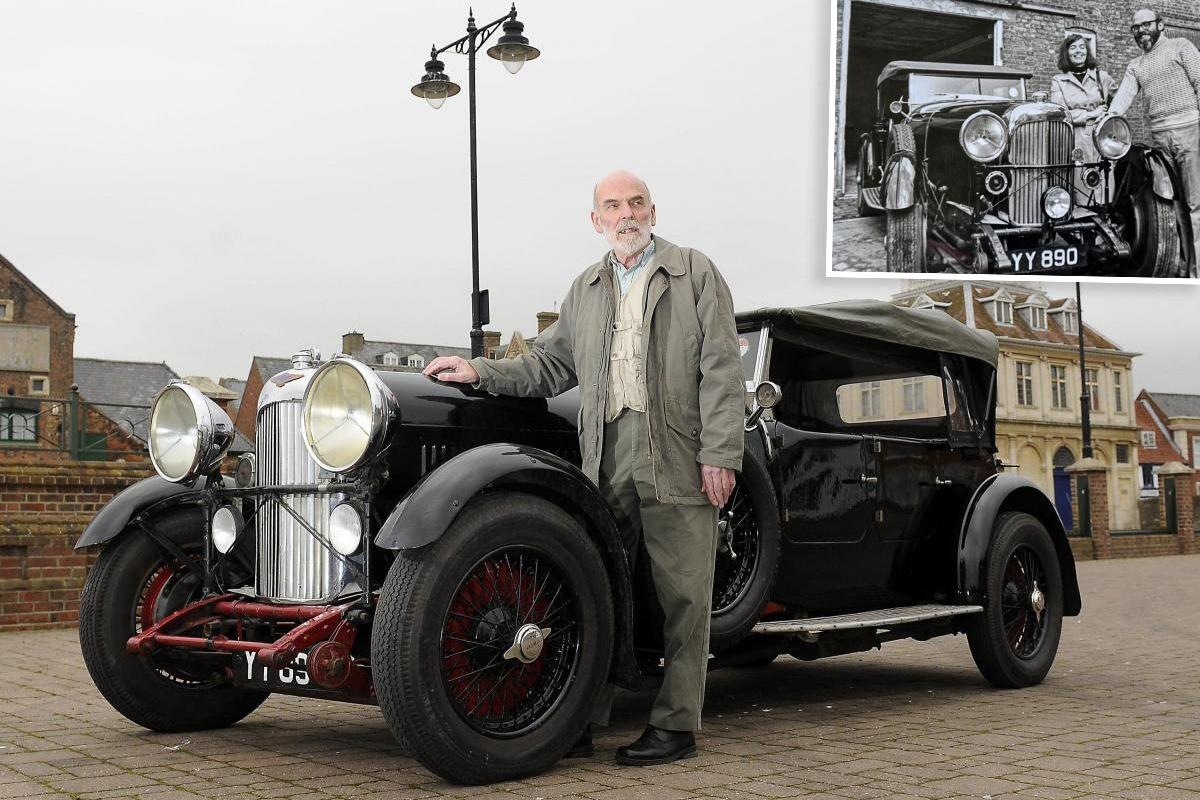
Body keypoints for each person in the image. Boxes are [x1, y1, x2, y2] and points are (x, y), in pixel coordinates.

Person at [422, 170, 745, 766]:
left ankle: (675, 726)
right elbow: (547, 367)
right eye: (613, 206)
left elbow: (723, 371)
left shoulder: (695, 272)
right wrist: (480, 372)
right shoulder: (585, 289)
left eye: (636, 203)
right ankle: (578, 721)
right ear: (595, 220)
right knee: (594, 589)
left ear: (654, 210)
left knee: (686, 596)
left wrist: (721, 455)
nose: (627, 215)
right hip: (606, 453)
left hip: (677, 448)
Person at [1109, 8, 1200, 276]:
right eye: (1136, 28)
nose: (1141, 31)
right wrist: (1106, 116)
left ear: (1161, 24)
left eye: (1146, 25)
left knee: (1196, 203)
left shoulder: (1181, 46)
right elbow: (1122, 100)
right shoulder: (1136, 65)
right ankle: (1186, 268)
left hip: (1190, 130)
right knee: (1177, 207)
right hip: (1160, 138)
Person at [1049, 34, 1118, 203]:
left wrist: (1110, 115)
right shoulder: (1058, 81)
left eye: (1082, 47)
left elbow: (1120, 99)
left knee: (1103, 186)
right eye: (1073, 48)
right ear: (1067, 53)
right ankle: (1080, 223)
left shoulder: (1102, 77)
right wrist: (1090, 114)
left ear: (1087, 51)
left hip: (1102, 140)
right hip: (1075, 142)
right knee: (1080, 186)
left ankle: (1104, 220)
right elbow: (1060, 113)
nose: (1078, 51)